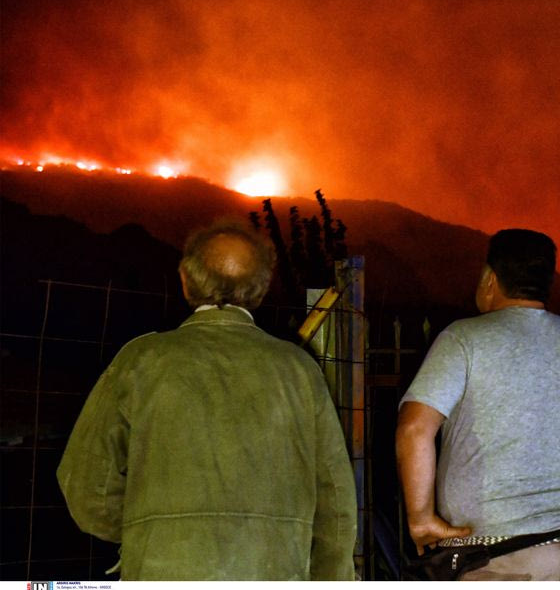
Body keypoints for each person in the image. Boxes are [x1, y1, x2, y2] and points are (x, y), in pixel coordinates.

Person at [57, 221, 357, 580]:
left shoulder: (141, 360)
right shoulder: (299, 370)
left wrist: (154, 531)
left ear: (185, 279)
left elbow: (85, 486)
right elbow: (337, 504)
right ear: (261, 288)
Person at [396, 228, 560, 581]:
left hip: (502, 557)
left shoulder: (464, 339)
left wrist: (421, 517)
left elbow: (414, 428)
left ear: (489, 279)